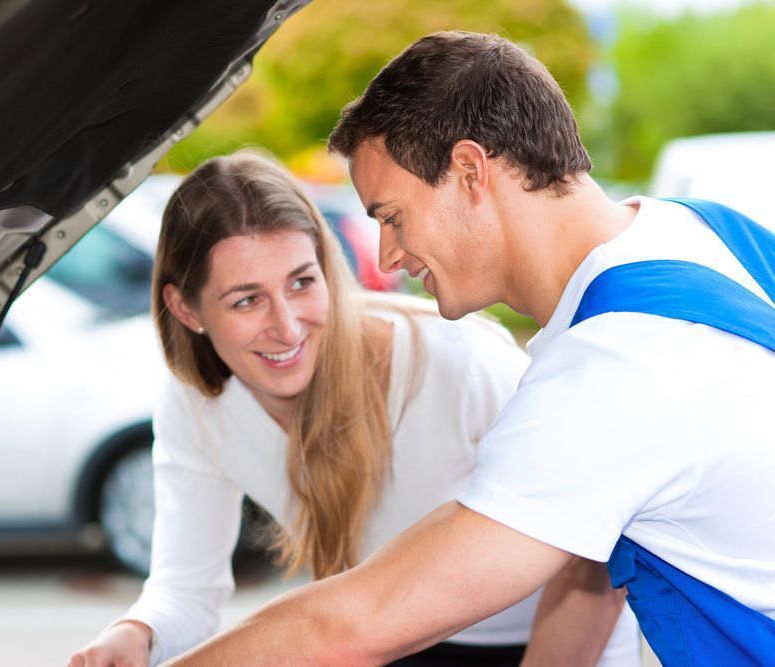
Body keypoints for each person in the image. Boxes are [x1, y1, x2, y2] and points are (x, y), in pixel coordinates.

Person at [162, 32, 775, 666]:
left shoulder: (611, 371)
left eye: (393, 216)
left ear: (469, 171)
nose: (387, 257)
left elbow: (351, 625)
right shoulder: (704, 230)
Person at [67, 150, 640, 666]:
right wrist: (135, 632)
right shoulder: (196, 406)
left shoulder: (454, 362)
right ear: (185, 309)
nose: (287, 327)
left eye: (300, 283)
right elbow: (186, 592)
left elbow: (596, 554)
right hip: (385, 641)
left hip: (552, 645)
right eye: (246, 299)